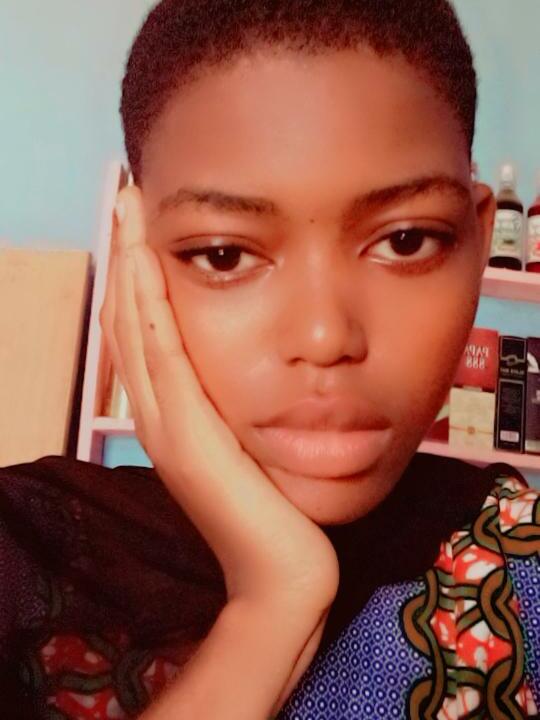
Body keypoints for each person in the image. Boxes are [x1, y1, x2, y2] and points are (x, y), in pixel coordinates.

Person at [0, 0, 539, 717]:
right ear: (134, 253)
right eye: (224, 254)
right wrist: (271, 606)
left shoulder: (521, 560)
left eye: (406, 241)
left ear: (478, 242)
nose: (325, 336)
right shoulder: (18, 560)